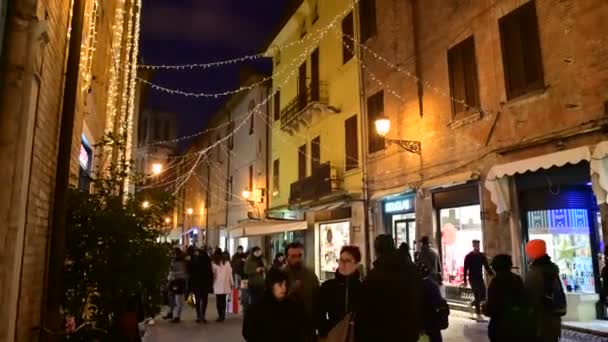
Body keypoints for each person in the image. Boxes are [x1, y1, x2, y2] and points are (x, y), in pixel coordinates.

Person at [356, 235, 422, 342]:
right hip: (409, 332)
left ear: (377, 250)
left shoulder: (374, 276)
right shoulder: (411, 270)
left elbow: (366, 312)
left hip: (384, 334)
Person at [242, 269, 307, 342]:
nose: (284, 288)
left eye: (285, 284)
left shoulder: (292, 307)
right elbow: (248, 333)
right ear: (270, 285)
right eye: (280, 284)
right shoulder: (256, 309)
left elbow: (300, 331)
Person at [318, 246, 363, 339]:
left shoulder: (362, 288)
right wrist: (324, 331)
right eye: (341, 260)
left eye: (347, 261)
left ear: (356, 264)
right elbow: (319, 312)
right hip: (333, 335)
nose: (342, 264)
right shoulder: (328, 286)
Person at [483, 254, 531, 342]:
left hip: (500, 327)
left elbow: (491, 308)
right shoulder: (517, 279)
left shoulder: (496, 282)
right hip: (517, 325)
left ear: (495, 267)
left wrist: (484, 307)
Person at [524, 239, 563, 342]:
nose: (527, 254)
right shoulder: (551, 269)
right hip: (554, 319)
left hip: (539, 322)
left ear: (532, 252)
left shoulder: (535, 273)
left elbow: (530, 299)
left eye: (528, 251)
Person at [283, 242, 320, 341]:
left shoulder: (310, 274)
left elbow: (318, 298)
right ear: (286, 257)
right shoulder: (280, 275)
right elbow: (273, 301)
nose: (297, 259)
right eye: (293, 256)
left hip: (309, 326)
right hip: (288, 327)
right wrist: (291, 290)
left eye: (300, 255)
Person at [463, 239, 494, 320]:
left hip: (479, 277)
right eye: (476, 244)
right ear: (473, 245)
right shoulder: (468, 256)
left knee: (483, 294)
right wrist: (465, 280)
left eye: (478, 244)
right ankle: (478, 313)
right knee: (477, 295)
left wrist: (492, 274)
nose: (477, 246)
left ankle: (472, 304)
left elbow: (486, 266)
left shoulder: (481, 256)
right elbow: (465, 269)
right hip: (472, 278)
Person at [418, 262, 448, 342]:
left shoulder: (416, 285)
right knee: (435, 337)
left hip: (421, 319)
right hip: (433, 318)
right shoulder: (433, 285)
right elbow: (438, 302)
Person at [187, 247, 213, 323]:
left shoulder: (194, 261)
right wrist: (210, 283)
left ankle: (198, 316)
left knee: (197, 300)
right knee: (204, 300)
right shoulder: (207, 262)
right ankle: (203, 315)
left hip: (196, 284)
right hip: (205, 284)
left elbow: (190, 272)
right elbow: (210, 274)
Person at [166, 248, 188, 323]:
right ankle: (175, 315)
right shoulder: (184, 262)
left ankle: (175, 316)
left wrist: (170, 279)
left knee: (176, 299)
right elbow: (185, 273)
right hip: (181, 282)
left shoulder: (174, 262)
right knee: (178, 300)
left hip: (175, 282)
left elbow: (172, 272)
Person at [212, 250, 233, 322]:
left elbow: (213, 275)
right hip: (225, 284)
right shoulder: (227, 263)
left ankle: (220, 315)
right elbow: (230, 274)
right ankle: (222, 315)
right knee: (223, 300)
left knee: (219, 300)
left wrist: (212, 283)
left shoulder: (214, 263)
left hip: (217, 284)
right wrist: (232, 283)